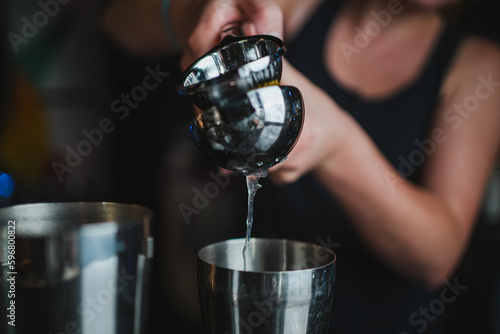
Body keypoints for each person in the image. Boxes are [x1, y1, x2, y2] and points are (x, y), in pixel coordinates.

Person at [104, 0, 500, 332]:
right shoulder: (299, 6)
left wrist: (338, 146)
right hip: (253, 314)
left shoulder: (480, 66)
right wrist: (197, 15)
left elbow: (436, 257)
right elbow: (118, 22)